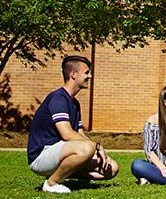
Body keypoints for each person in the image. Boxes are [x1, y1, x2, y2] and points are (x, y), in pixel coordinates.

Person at [27, 55, 119, 194]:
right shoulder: (58, 98)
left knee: (111, 168)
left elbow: (79, 134)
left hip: (62, 153)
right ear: (73, 75)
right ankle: (52, 183)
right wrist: (95, 146)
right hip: (41, 156)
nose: (90, 76)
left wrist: (98, 151)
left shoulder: (74, 103)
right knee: (87, 148)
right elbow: (67, 134)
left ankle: (58, 174)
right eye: (87, 73)